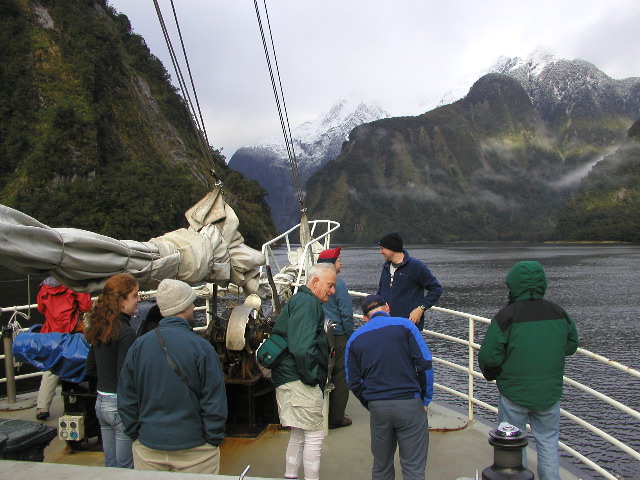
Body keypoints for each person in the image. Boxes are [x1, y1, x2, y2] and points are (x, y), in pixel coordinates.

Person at [478, 261, 579, 480]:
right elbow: (571, 345)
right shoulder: (558, 312)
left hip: (514, 392)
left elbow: (489, 356)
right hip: (548, 393)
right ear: (543, 283)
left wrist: (491, 373)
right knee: (548, 442)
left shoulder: (507, 315)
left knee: (512, 446)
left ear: (513, 284)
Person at [118, 279, 227, 474]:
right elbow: (214, 399)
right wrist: (213, 438)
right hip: (196, 449)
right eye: (191, 303)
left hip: (149, 446)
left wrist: (136, 434)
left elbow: (127, 397)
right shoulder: (202, 347)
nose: (194, 306)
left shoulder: (139, 346)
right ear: (184, 307)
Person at [346, 294, 433, 480]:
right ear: (387, 307)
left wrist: (370, 403)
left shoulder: (354, 339)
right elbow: (424, 364)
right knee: (413, 468)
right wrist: (424, 399)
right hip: (409, 404)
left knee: (381, 467)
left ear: (365, 318)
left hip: (378, 407)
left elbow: (353, 381)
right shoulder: (406, 326)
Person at [271, 263, 336, 480]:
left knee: (298, 434)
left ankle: (290, 476)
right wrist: (313, 379)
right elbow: (302, 348)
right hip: (300, 380)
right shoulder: (309, 303)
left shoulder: (300, 300)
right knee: (315, 434)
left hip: (287, 378)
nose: (333, 290)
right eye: (330, 285)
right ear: (315, 282)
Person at [84, 273, 139, 469]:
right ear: (122, 301)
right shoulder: (126, 333)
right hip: (119, 406)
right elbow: (126, 376)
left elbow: (90, 367)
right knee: (125, 467)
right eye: (135, 295)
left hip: (101, 403)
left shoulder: (100, 327)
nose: (139, 299)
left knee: (111, 464)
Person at [35, 276, 93, 420]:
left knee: (51, 369)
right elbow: (86, 306)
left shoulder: (44, 286)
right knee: (76, 367)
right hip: (71, 332)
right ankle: (73, 405)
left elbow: (41, 308)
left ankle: (42, 406)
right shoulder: (74, 282)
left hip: (51, 333)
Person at [317, 247, 354, 430]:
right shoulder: (338, 283)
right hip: (338, 336)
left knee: (323, 374)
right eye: (339, 260)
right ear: (331, 263)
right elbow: (346, 313)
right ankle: (336, 418)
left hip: (320, 335)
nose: (341, 263)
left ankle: (318, 415)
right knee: (340, 376)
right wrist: (349, 335)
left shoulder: (314, 283)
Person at [377, 231, 443, 331]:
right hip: (387, 324)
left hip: (408, 326)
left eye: (382, 248)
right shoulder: (386, 267)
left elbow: (436, 289)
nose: (380, 252)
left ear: (392, 248)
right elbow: (381, 292)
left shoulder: (416, 266)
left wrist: (421, 308)